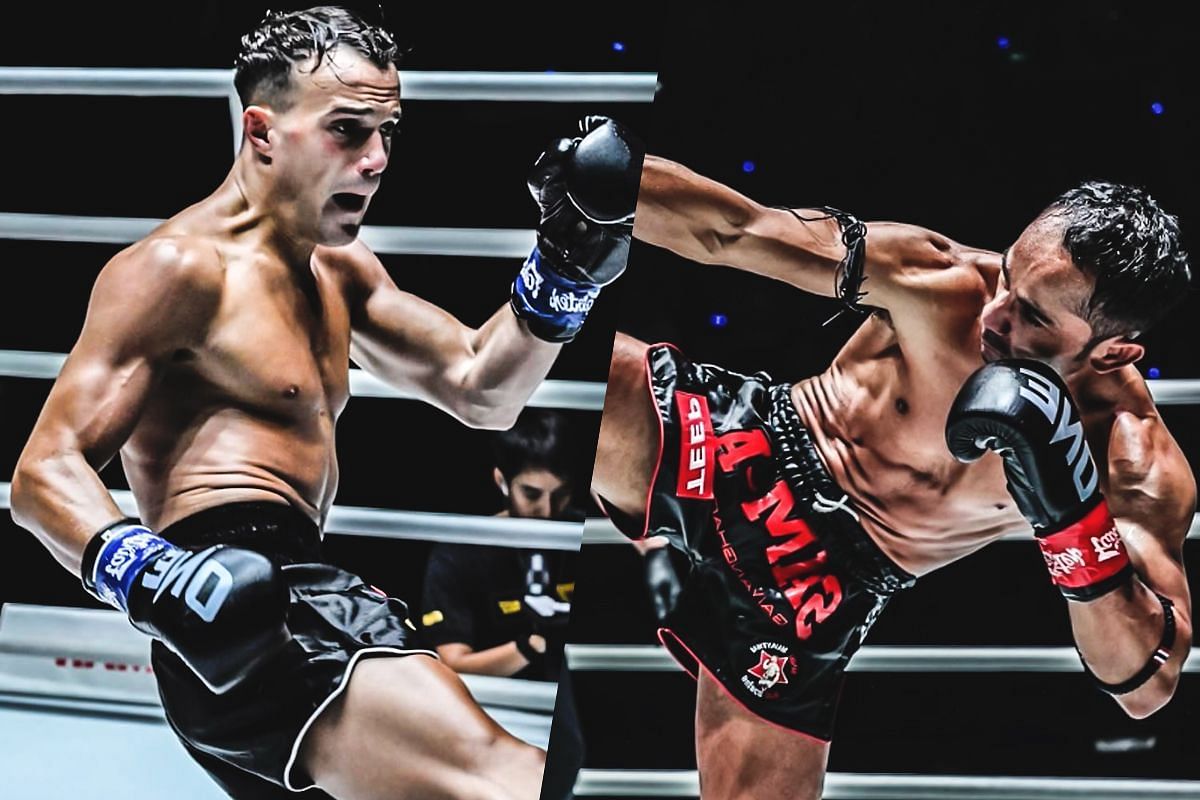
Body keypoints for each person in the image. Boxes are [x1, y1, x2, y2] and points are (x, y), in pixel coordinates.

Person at [8, 7, 641, 800]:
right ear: (263, 132)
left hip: (279, 600)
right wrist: (158, 576)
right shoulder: (176, 269)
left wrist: (564, 270)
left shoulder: (341, 271)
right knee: (520, 782)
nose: (376, 160)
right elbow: (43, 472)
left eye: (387, 132)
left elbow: (483, 390)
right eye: (348, 129)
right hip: (252, 605)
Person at [593, 155, 1195, 799]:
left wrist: (1070, 519)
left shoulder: (1131, 456)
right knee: (548, 367)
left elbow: (1146, 685)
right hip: (743, 442)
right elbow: (735, 229)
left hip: (822, 587)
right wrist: (607, 178)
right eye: (1010, 276)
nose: (994, 315)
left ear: (1115, 351)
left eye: (1035, 319)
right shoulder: (942, 279)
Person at [421, 408, 583, 800]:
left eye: (560, 494)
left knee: (565, 761)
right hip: (486, 711)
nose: (547, 510)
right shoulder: (460, 554)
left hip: (559, 711)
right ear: (501, 481)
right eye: (532, 493)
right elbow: (453, 663)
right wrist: (533, 644)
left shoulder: (580, 532)